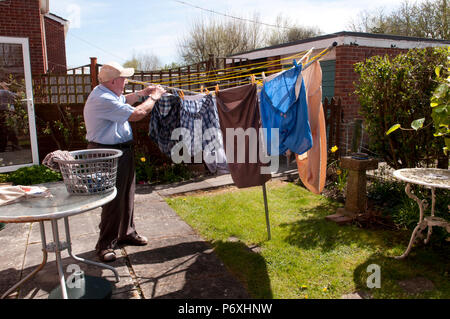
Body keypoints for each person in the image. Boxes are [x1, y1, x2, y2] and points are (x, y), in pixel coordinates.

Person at [83, 61, 166, 262]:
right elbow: (137, 114)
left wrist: (142, 93)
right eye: (123, 78)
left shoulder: (108, 92)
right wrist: (154, 97)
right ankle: (105, 245)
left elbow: (124, 99)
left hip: (122, 151)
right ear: (113, 81)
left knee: (127, 194)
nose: (126, 81)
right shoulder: (102, 98)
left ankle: (127, 233)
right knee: (112, 198)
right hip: (107, 154)